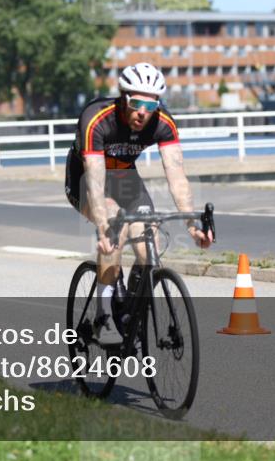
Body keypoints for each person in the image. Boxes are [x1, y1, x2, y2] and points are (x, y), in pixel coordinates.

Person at [65, 62, 213, 342]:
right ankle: (104, 315)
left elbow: (177, 176)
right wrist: (102, 227)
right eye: (136, 102)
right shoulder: (96, 118)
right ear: (123, 98)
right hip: (85, 179)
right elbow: (95, 182)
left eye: (151, 104)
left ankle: (130, 309)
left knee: (149, 247)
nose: (143, 111)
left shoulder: (163, 122)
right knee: (112, 223)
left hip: (125, 179)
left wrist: (192, 225)